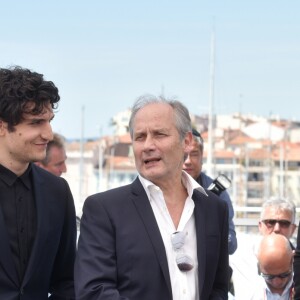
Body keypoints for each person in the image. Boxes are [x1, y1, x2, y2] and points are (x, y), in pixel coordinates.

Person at [75, 94, 229, 300]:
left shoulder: (215, 209)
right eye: (140, 137)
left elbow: (218, 287)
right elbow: (94, 291)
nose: (147, 145)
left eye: (159, 134)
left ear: (187, 141)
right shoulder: (104, 210)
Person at [0, 66, 77, 300]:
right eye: (36, 123)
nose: (49, 134)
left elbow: (67, 279)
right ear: (2, 126)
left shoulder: (57, 191)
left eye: (49, 121)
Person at [183, 128, 237, 255]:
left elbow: (231, 245)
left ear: (202, 157)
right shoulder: (161, 190)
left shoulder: (218, 194)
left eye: (194, 154)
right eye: (183, 155)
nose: (188, 161)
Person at [250, 233, 294, 299]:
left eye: (284, 275)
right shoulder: (249, 290)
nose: (277, 282)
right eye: (269, 277)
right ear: (259, 266)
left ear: (292, 260)